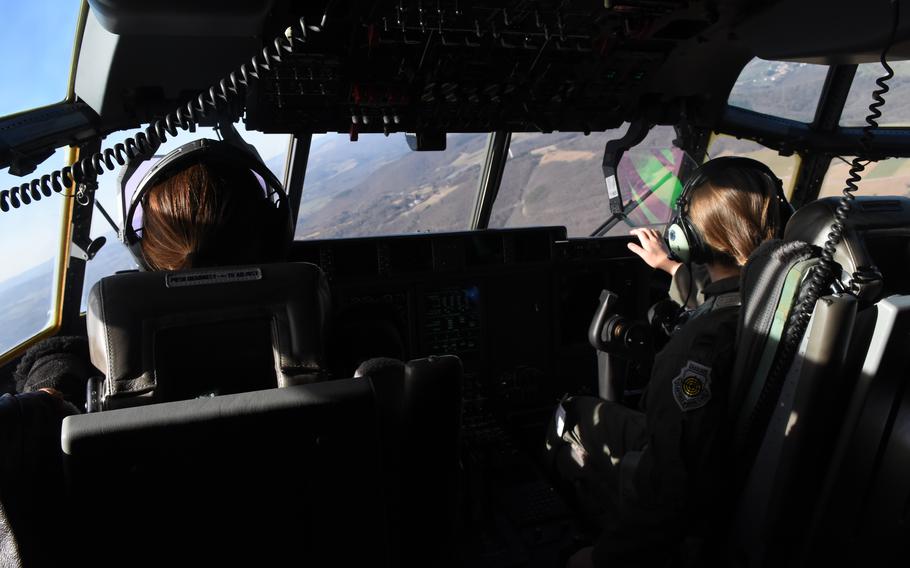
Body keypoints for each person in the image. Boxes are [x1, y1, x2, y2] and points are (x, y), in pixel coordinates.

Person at [546, 156, 787, 568]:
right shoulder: (776, 294)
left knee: (573, 415)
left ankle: (592, 526)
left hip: (689, 509)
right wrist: (672, 269)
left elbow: (668, 487)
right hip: (736, 465)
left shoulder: (696, 350)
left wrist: (603, 558)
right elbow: (725, 298)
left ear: (688, 237)